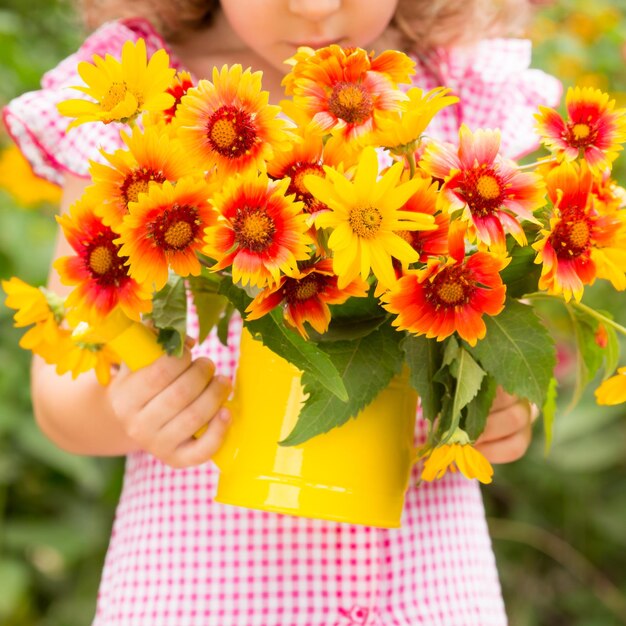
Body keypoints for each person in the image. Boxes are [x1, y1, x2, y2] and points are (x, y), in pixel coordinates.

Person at [3, 0, 561, 624]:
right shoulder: (133, 95)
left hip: (425, 589)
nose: (318, 6)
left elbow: (493, 314)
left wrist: (497, 406)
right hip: (206, 591)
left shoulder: (454, 94)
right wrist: (137, 408)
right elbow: (64, 390)